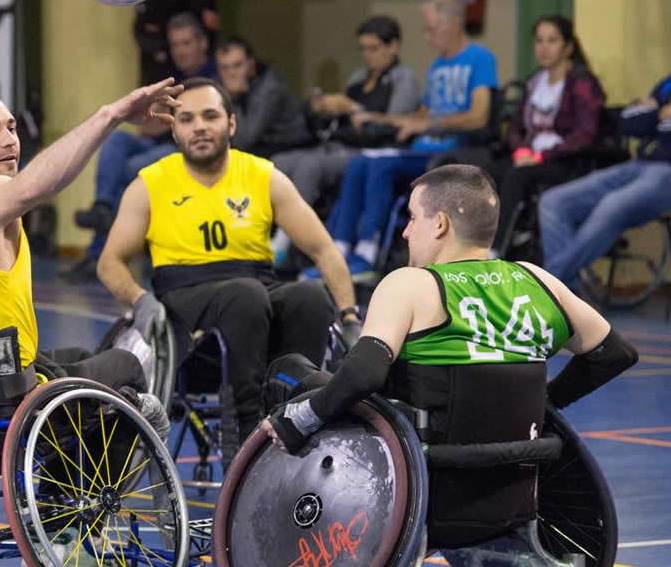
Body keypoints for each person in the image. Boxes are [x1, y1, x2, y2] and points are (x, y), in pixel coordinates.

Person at [267, 164, 637, 551]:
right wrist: (547, 402)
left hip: (417, 499)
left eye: (412, 218)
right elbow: (614, 353)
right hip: (512, 500)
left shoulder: (411, 284)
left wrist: (300, 418)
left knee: (288, 374)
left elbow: (362, 374)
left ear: (440, 224)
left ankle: (276, 524)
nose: (407, 231)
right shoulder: (537, 280)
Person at [0, 80, 183, 432]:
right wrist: (111, 115)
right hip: (5, 406)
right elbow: (33, 187)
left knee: (81, 359)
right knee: (125, 365)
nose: (9, 140)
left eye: (11, 127)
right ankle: (94, 486)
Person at [96, 77, 360, 440]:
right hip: (186, 306)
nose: (199, 127)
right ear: (174, 131)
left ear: (231, 124)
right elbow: (110, 261)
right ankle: (247, 426)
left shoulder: (263, 176)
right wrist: (140, 300)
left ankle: (299, 408)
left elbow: (324, 249)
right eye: (187, 119)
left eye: (210, 116)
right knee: (245, 294)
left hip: (255, 290)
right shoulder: (149, 184)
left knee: (309, 294)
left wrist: (348, 316)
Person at [303, 0, 497, 278]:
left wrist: (431, 126)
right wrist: (373, 117)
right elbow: (417, 117)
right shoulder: (437, 66)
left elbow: (479, 115)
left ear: (454, 24)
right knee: (360, 161)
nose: (427, 36)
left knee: (380, 164)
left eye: (431, 28)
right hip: (421, 147)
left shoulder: (480, 58)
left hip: (450, 152)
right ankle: (339, 249)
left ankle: (367, 253)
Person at [64, 13, 218, 281]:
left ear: (202, 43)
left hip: (186, 149)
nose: (180, 51)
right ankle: (102, 208)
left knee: (132, 169)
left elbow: (197, 125)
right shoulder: (168, 75)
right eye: (175, 45)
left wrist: (173, 120)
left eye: (186, 44)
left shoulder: (215, 75)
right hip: (157, 142)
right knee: (116, 140)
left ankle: (99, 253)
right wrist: (165, 119)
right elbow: (147, 125)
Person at [539, 72, 671, 286]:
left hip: (666, 173)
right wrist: (659, 114)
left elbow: (652, 123)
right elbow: (629, 123)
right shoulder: (667, 83)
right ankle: (567, 294)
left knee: (611, 205)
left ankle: (548, 286)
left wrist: (654, 114)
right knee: (553, 202)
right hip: (638, 164)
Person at [489, 16, 604, 257]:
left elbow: (585, 133)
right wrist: (520, 149)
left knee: (516, 177)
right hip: (530, 157)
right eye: (539, 41)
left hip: (566, 160)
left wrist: (542, 156)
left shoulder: (581, 83)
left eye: (552, 41)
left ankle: (496, 250)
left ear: (568, 47)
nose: (544, 47)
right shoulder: (535, 82)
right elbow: (515, 127)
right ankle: (509, 236)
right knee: (489, 171)